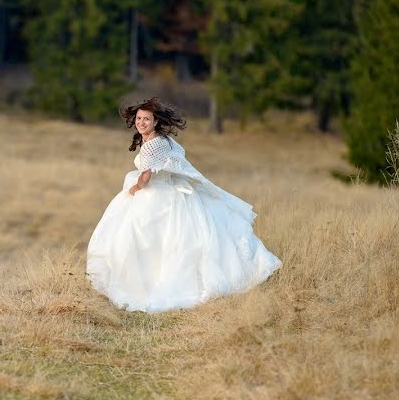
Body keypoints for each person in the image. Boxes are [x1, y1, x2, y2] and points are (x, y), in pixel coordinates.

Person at [86, 97, 281, 313]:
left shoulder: (153, 145)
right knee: (163, 240)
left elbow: (146, 177)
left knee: (142, 236)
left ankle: (144, 285)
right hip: (171, 191)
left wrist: (135, 189)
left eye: (146, 119)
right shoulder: (163, 140)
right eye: (139, 118)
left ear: (156, 122)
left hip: (158, 195)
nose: (141, 123)